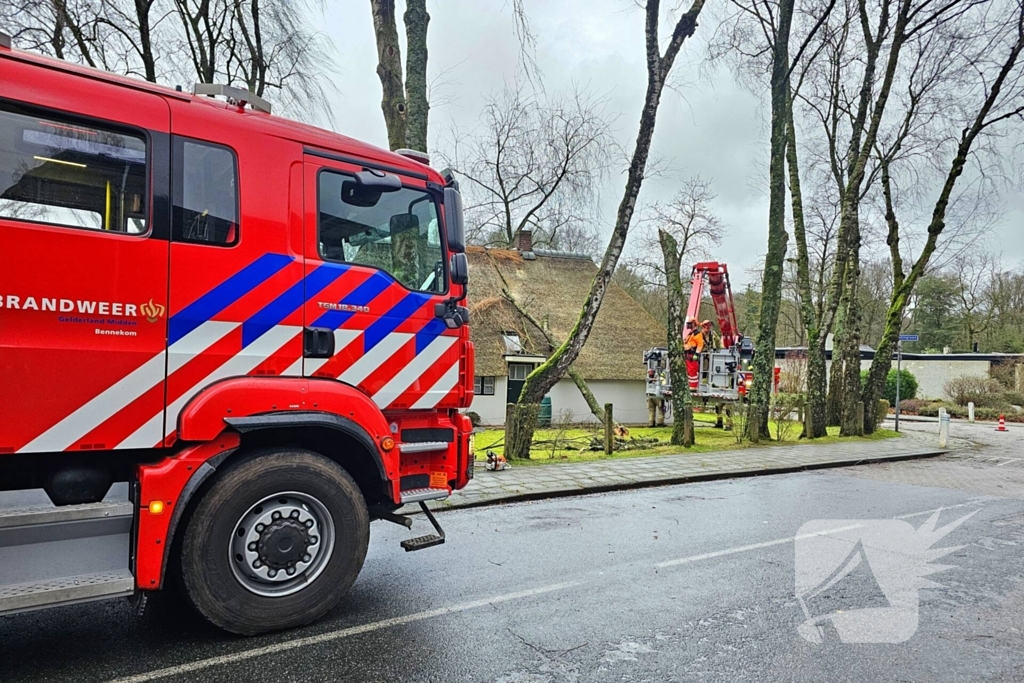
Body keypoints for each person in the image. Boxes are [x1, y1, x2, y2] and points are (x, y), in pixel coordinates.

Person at [683, 316, 703, 391]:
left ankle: (693, 387)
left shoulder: (697, 334)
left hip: (692, 354)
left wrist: (696, 353)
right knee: (688, 370)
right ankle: (690, 385)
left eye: (690, 324)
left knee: (692, 371)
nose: (688, 325)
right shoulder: (690, 333)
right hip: (687, 354)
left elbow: (700, 344)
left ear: (694, 324)